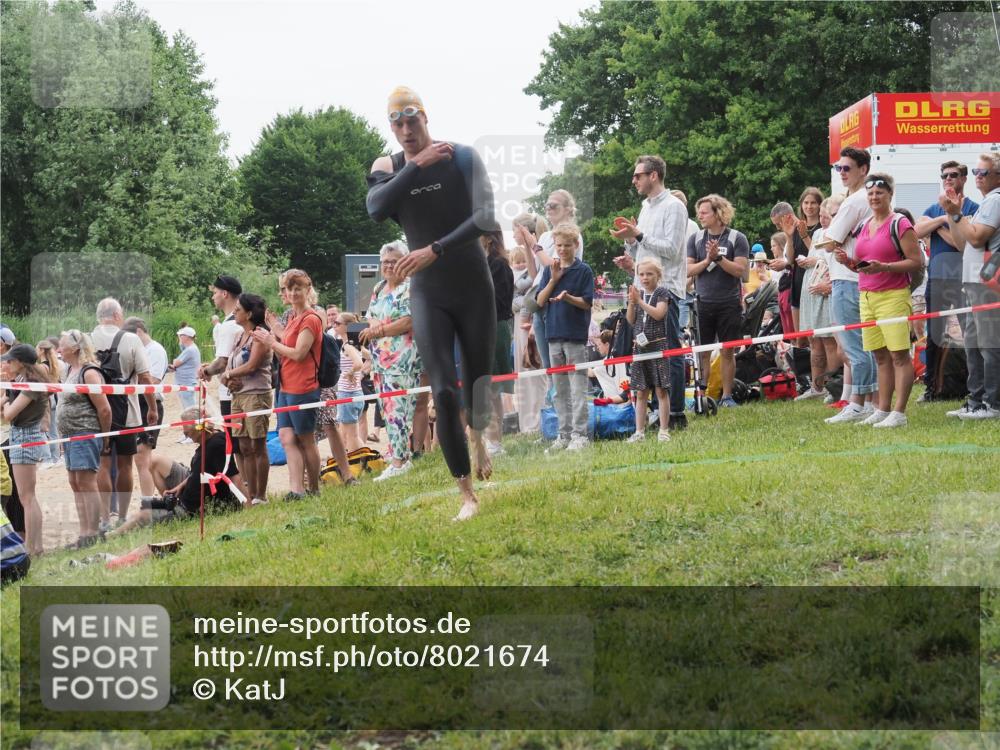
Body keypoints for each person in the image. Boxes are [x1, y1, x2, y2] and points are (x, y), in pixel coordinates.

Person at [366, 86, 496, 521]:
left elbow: (485, 217)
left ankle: (477, 435)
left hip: (473, 284)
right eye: (396, 123)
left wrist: (434, 249)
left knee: (478, 385)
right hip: (428, 293)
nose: (405, 130)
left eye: (412, 121)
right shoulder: (389, 167)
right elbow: (376, 208)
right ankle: (466, 494)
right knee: (442, 387)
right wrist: (416, 164)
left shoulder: (461, 156)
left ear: (425, 117)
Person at [834, 173, 923, 427]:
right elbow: (864, 268)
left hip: (893, 296)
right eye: (870, 193)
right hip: (867, 296)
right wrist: (849, 263)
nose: (874, 197)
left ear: (890, 195)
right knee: (880, 357)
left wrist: (884, 266)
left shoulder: (900, 223)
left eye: (879, 193)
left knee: (899, 356)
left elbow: (915, 261)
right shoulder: (864, 225)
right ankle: (882, 410)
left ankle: (899, 413)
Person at [611, 155, 690, 429]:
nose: (634, 180)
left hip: (666, 289)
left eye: (638, 175)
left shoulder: (674, 207)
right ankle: (658, 411)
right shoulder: (645, 207)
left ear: (653, 175)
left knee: (669, 352)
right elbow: (646, 251)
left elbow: (671, 249)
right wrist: (632, 244)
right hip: (643, 290)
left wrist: (640, 235)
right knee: (648, 352)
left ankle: (676, 413)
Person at [111, 408, 244, 534]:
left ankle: (108, 536)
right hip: (189, 494)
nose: (184, 434)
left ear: (199, 428)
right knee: (155, 464)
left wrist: (247, 505)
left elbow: (233, 476)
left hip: (193, 507)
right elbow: (200, 472)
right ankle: (167, 505)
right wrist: (180, 486)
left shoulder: (216, 445)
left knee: (141, 515)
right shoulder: (211, 439)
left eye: (186, 431)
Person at [939, 151, 1000, 419]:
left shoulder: (995, 201)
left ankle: (992, 403)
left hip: (987, 282)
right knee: (974, 345)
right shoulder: (987, 202)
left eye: (982, 173)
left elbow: (976, 239)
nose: (976, 177)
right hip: (975, 281)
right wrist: (954, 215)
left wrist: (957, 214)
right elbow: (962, 243)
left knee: (988, 345)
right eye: (975, 172)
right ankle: (975, 400)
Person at [253, 269, 323, 499]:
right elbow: (287, 338)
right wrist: (274, 327)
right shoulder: (293, 316)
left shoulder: (311, 319)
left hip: (303, 386)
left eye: (297, 289)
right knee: (285, 437)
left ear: (307, 290)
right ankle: (296, 489)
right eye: (289, 289)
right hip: (285, 385)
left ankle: (314, 488)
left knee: (306, 439)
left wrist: (271, 342)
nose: (292, 293)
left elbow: (298, 353)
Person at [915, 161, 980, 401]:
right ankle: (931, 388)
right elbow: (916, 229)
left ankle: (976, 388)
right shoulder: (935, 207)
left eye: (954, 175)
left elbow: (962, 243)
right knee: (934, 336)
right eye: (945, 176)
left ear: (964, 178)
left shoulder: (974, 207)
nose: (949, 179)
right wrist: (945, 220)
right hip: (938, 279)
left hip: (965, 279)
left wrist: (941, 223)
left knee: (970, 334)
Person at [822, 147, 878, 424]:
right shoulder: (864, 198)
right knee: (864, 345)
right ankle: (868, 401)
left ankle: (858, 402)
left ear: (863, 169)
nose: (842, 173)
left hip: (847, 278)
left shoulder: (855, 201)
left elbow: (830, 240)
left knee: (854, 347)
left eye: (847, 168)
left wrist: (830, 239)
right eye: (838, 168)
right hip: (859, 277)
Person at [360, 241, 424, 480]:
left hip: (402, 358)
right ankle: (397, 455)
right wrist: (374, 329)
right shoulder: (378, 287)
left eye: (394, 261)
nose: (388, 266)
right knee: (386, 410)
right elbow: (370, 317)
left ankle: (400, 461)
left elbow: (409, 321)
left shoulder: (410, 288)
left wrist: (379, 332)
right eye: (385, 262)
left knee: (399, 409)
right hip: (379, 360)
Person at [90, 297, 157, 527]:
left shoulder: (89, 339)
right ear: (118, 315)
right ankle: (122, 516)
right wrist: (153, 407)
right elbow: (146, 377)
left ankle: (104, 517)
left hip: (98, 412)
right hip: (128, 412)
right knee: (126, 465)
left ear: (99, 316)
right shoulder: (130, 339)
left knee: (103, 464)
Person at [686, 194, 750, 407]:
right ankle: (703, 397)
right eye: (699, 212)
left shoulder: (736, 238)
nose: (700, 216)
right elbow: (688, 270)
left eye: (704, 212)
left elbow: (741, 271)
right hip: (702, 303)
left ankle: (727, 396)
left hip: (729, 303)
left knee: (727, 351)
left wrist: (720, 259)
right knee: (702, 351)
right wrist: (707, 260)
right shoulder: (695, 239)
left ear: (718, 213)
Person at [536, 222, 594, 451]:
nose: (561, 249)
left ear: (575, 245)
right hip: (553, 335)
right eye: (558, 245)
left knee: (577, 387)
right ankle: (564, 433)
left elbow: (586, 302)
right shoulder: (551, 269)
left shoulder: (584, 271)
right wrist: (553, 280)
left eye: (566, 245)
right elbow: (539, 301)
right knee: (559, 389)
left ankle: (580, 434)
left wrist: (568, 297)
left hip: (575, 336)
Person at [56, 330, 111, 547]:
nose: (59, 348)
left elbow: (104, 408)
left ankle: (93, 532)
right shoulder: (69, 369)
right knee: (75, 482)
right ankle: (84, 532)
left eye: (63, 345)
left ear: (76, 348)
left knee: (86, 482)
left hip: (85, 432)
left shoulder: (89, 372)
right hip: (70, 435)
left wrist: (104, 437)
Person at [219, 293, 274, 505]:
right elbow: (230, 365)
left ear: (249, 313)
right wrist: (227, 379)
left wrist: (229, 375)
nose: (235, 312)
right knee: (243, 446)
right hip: (238, 396)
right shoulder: (240, 335)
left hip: (256, 394)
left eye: (239, 309)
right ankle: (251, 494)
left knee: (258, 445)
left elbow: (252, 366)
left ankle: (261, 494)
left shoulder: (260, 335)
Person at [0, 344, 51, 556]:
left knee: (27, 498)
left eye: (11, 360)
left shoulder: (31, 384)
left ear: (21, 362)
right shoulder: (25, 381)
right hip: (23, 435)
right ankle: (35, 546)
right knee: (28, 497)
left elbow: (9, 414)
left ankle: (32, 547)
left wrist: (6, 397)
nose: (8, 364)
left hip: (26, 435)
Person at [796, 195, 842, 399]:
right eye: (822, 216)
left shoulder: (837, 235)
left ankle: (833, 386)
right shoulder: (817, 235)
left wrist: (814, 262)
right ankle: (817, 387)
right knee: (815, 341)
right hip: (812, 291)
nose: (823, 219)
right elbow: (814, 255)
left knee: (829, 341)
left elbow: (828, 261)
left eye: (827, 215)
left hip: (826, 292)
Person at [625, 258, 672, 443]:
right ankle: (639, 431)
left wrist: (640, 302)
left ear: (658, 275)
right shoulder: (637, 293)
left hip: (658, 346)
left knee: (661, 390)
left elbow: (659, 314)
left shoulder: (662, 292)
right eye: (642, 274)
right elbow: (631, 320)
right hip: (640, 348)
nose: (645, 278)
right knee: (641, 392)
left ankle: (664, 429)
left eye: (649, 274)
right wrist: (631, 302)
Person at [121, 317, 167, 498]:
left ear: (139, 332)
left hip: (149, 403)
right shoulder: (137, 349)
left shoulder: (155, 350)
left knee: (142, 456)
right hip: (134, 402)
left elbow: (152, 381)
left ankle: (147, 500)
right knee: (135, 457)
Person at [482, 230, 514, 456]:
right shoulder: (478, 263)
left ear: (489, 238)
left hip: (494, 327)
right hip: (478, 329)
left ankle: (495, 441)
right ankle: (489, 438)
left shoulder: (498, 265)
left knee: (492, 389)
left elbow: (498, 301)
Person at [199, 274, 243, 436]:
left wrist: (206, 371)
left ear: (225, 294)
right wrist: (210, 366)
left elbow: (222, 362)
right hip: (238, 387)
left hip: (231, 391)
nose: (213, 296)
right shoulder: (235, 321)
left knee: (235, 443)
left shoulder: (229, 325)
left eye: (215, 292)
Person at [35, 339, 63, 467]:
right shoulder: (54, 365)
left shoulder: (41, 367)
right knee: (53, 430)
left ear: (41, 350)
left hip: (45, 400)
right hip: (54, 399)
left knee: (42, 429)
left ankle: (47, 458)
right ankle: (55, 457)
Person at [169, 326, 201, 415]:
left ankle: (195, 427)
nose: (179, 337)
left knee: (190, 410)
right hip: (187, 382)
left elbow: (176, 363)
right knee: (189, 408)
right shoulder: (191, 348)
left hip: (186, 382)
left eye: (181, 336)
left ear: (186, 337)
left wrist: (175, 362)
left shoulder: (190, 350)